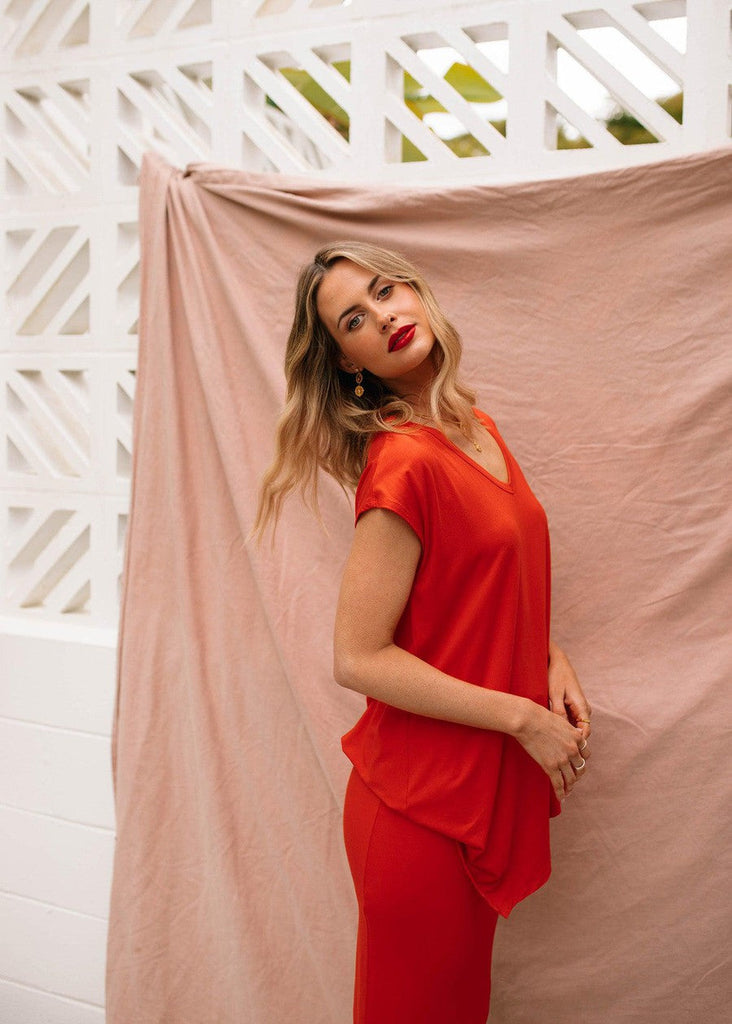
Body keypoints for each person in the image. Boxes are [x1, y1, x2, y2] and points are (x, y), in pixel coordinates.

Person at [254, 241, 592, 1024]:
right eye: (355, 319)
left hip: (472, 792)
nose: (385, 316)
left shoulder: (476, 427)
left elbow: (480, 589)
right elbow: (357, 656)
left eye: (384, 291)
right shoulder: (405, 460)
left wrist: (548, 654)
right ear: (349, 364)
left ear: (414, 288)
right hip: (417, 810)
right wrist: (523, 719)